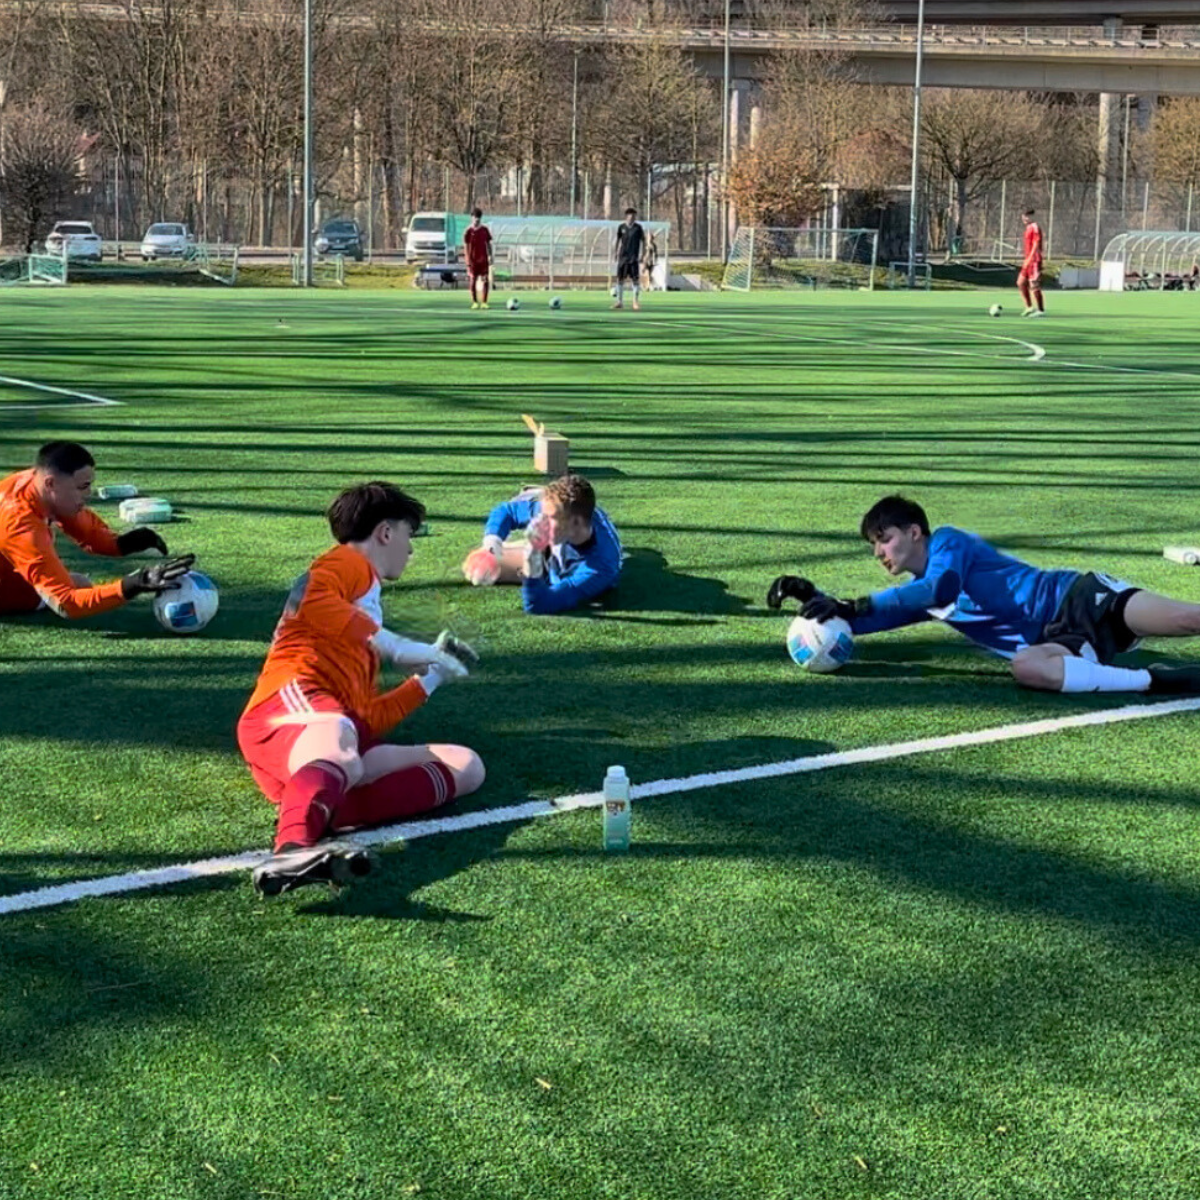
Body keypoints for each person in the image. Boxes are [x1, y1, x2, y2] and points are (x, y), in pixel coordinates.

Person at [238, 482, 485, 896]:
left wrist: (432, 677)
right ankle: (292, 847)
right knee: (338, 736)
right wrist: (397, 647)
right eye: (409, 534)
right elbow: (312, 596)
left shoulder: (362, 612)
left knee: (466, 765)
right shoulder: (348, 564)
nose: (410, 549)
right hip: (283, 711)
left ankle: (319, 810)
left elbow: (365, 721)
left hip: (324, 744)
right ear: (385, 533)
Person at [767, 494, 1200, 695]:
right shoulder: (925, 599)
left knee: (1188, 620)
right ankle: (1160, 679)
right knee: (1026, 668)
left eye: (884, 539)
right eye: (874, 546)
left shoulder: (950, 544)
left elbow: (940, 587)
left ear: (915, 532)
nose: (878, 552)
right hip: (1064, 642)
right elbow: (863, 620)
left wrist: (854, 603)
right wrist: (813, 596)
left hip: (1081, 598)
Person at [0, 440, 194, 619]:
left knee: (73, 580)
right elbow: (67, 604)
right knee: (79, 585)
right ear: (50, 483)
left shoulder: (35, 483)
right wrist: (134, 584)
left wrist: (123, 544)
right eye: (82, 487)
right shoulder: (21, 527)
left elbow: (86, 531)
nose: (88, 494)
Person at [466, 474, 622, 615]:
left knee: (488, 569)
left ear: (575, 522)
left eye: (550, 517)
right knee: (480, 566)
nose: (541, 522)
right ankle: (533, 494)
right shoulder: (558, 509)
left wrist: (532, 561)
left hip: (561, 561)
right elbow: (507, 511)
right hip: (558, 548)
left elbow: (540, 604)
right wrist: (492, 543)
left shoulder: (601, 566)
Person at [613, 207, 646, 311]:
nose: (632, 217)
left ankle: (635, 302)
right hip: (623, 257)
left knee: (635, 280)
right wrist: (615, 252)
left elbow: (643, 241)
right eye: (630, 215)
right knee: (619, 279)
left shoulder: (638, 228)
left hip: (633, 258)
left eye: (634, 215)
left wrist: (643, 254)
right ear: (626, 216)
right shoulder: (621, 227)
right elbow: (617, 240)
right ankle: (619, 301)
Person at [463, 207, 493, 310]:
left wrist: (490, 255)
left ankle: (484, 302)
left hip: (483, 260)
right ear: (471, 218)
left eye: (478, 217)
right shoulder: (468, 231)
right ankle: (475, 302)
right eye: (475, 217)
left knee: (485, 280)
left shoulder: (484, 230)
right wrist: (467, 260)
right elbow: (466, 246)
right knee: (472, 280)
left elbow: (488, 244)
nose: (477, 219)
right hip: (473, 261)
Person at [1018, 208, 1045, 317]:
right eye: (1023, 216)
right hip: (1028, 260)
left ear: (1032, 216)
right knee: (1020, 283)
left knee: (1034, 285)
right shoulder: (1028, 228)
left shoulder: (1035, 227)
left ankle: (1041, 310)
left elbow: (1036, 243)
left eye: (1026, 216)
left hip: (1034, 260)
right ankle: (1029, 307)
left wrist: (1030, 258)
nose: (1024, 218)